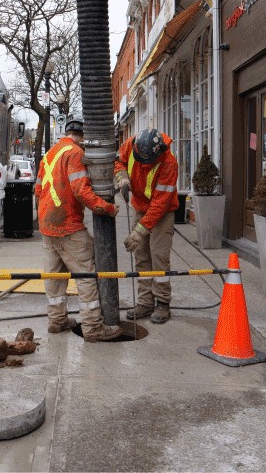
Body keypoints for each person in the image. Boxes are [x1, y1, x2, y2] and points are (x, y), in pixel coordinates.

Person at [35, 118, 123, 342]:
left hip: (47, 225)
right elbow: (81, 191)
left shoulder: (50, 153)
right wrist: (107, 208)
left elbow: (38, 189)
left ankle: (57, 320)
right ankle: (93, 327)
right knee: (86, 276)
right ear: (82, 136)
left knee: (54, 277)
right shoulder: (74, 153)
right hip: (68, 225)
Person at [114, 127, 179, 324]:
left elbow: (160, 204)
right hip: (140, 207)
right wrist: (122, 179)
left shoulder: (168, 163)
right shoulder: (132, 144)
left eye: (147, 162)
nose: (142, 165)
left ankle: (162, 302)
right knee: (141, 256)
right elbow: (118, 162)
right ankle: (145, 301)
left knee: (158, 255)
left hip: (163, 212)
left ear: (157, 153)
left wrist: (139, 232)